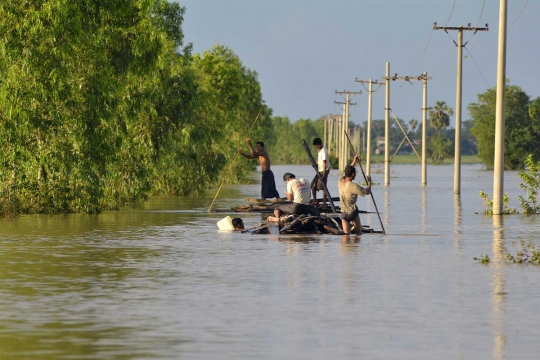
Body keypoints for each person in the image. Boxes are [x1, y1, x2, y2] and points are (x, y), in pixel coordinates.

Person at [338, 155, 371, 235]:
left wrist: (354, 162)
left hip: (343, 213)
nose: (355, 175)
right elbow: (367, 192)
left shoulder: (340, 181)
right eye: (355, 173)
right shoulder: (354, 186)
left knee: (346, 236)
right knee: (358, 234)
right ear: (352, 174)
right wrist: (369, 182)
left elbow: (346, 172)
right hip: (352, 213)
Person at [310, 137, 330, 206]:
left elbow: (325, 163)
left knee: (323, 186)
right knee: (313, 185)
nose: (316, 147)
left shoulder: (324, 150)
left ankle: (324, 202)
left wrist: (324, 174)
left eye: (316, 145)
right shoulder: (320, 150)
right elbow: (321, 162)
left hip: (324, 171)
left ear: (319, 144)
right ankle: (315, 200)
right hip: (320, 170)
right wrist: (316, 165)